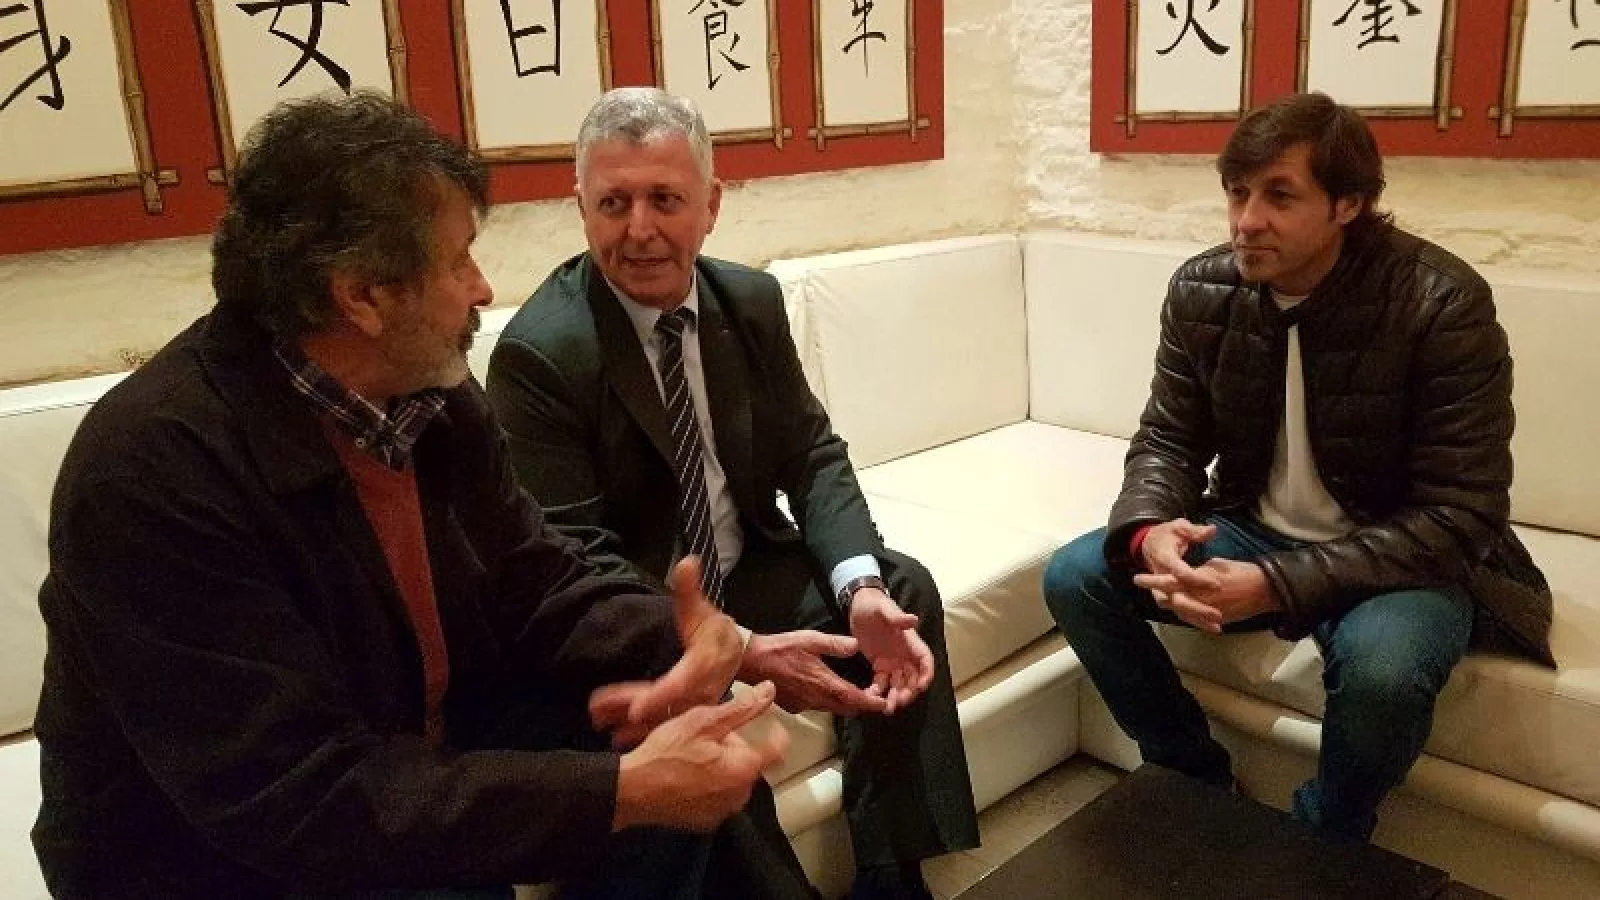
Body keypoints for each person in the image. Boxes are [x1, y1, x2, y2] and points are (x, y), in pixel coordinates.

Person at [31, 91, 816, 900]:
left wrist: (700, 639)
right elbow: (297, 794)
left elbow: (535, 580)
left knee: (683, 743)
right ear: (362, 296)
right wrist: (620, 793)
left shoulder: (425, 394)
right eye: (458, 260)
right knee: (623, 793)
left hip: (408, 747)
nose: (482, 289)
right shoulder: (154, 471)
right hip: (211, 855)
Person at [484, 87, 979, 900]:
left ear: (710, 205)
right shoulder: (541, 353)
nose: (639, 229)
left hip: (744, 565)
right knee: (695, 694)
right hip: (645, 604)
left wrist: (857, 589)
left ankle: (893, 873)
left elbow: (810, 455)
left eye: (665, 199)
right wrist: (734, 645)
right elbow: (574, 559)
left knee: (900, 590)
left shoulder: (748, 303)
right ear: (580, 207)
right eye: (613, 203)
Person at [1042, 92, 1554, 843]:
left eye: (1280, 197)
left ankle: (1323, 839)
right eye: (1237, 192)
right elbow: (1168, 439)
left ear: (1348, 203)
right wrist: (1150, 530)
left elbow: (1460, 514)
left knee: (1384, 673)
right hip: (1253, 528)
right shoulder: (1203, 290)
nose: (1247, 220)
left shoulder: (1440, 302)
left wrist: (1276, 585)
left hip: (1398, 554)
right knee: (1077, 576)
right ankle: (1191, 775)